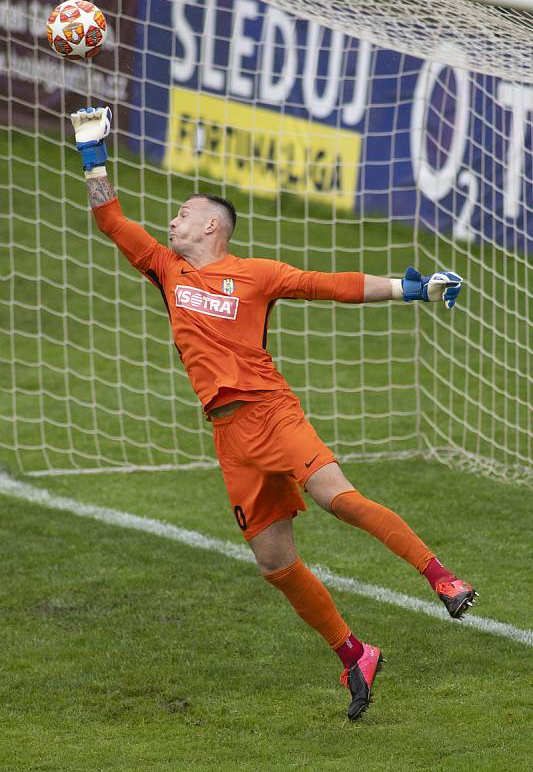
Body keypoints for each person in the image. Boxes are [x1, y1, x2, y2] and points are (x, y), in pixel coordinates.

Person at [70, 106, 477, 721]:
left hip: (270, 410)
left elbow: (328, 285)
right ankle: (355, 653)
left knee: (336, 498)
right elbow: (110, 217)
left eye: (183, 213)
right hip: (229, 434)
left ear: (213, 227)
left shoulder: (254, 275)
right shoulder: (165, 268)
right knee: (274, 562)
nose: (172, 220)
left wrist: (411, 287)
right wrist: (90, 148)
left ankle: (441, 577)